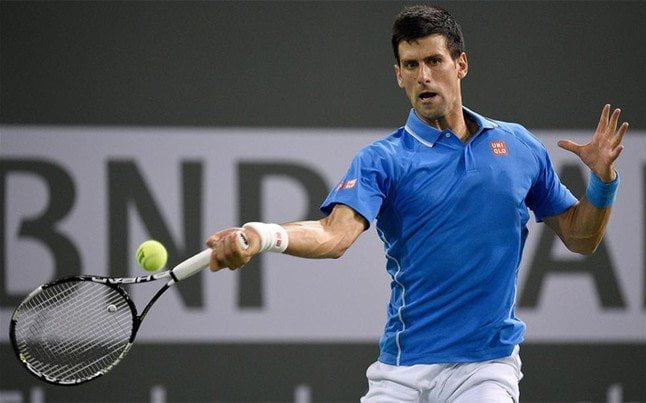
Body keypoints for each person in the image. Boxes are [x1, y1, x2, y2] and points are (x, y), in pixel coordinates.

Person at [205, 5, 628, 402]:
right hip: (402, 370)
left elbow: (580, 237)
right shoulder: (382, 159)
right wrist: (262, 235)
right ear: (399, 76)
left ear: (460, 65)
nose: (424, 76)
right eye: (411, 65)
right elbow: (333, 236)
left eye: (434, 61)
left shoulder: (517, 145)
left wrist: (602, 181)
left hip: (486, 366)